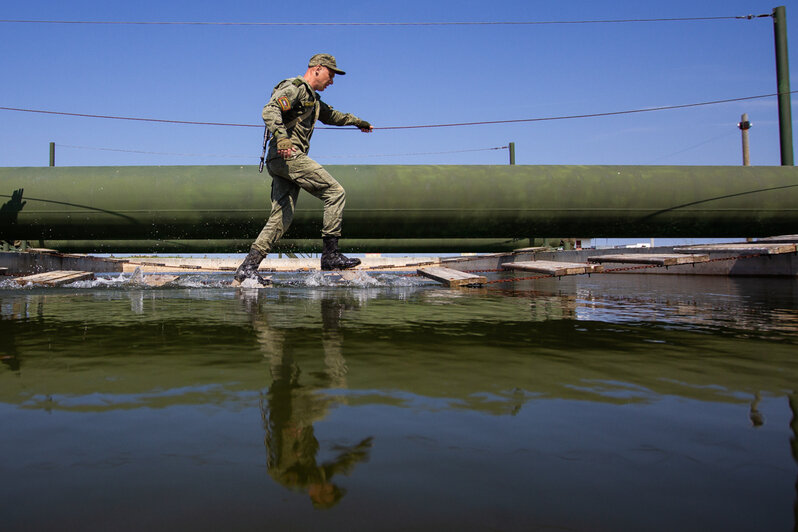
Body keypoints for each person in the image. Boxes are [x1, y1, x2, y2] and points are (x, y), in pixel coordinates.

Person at [235, 53, 372, 283]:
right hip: (287, 154)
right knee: (334, 192)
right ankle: (330, 254)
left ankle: (248, 267)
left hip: (282, 159)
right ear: (317, 69)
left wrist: (358, 122)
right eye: (331, 74)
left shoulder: (313, 100)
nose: (332, 81)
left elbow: (333, 116)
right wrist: (282, 138)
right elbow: (270, 110)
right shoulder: (296, 88)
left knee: (281, 219)